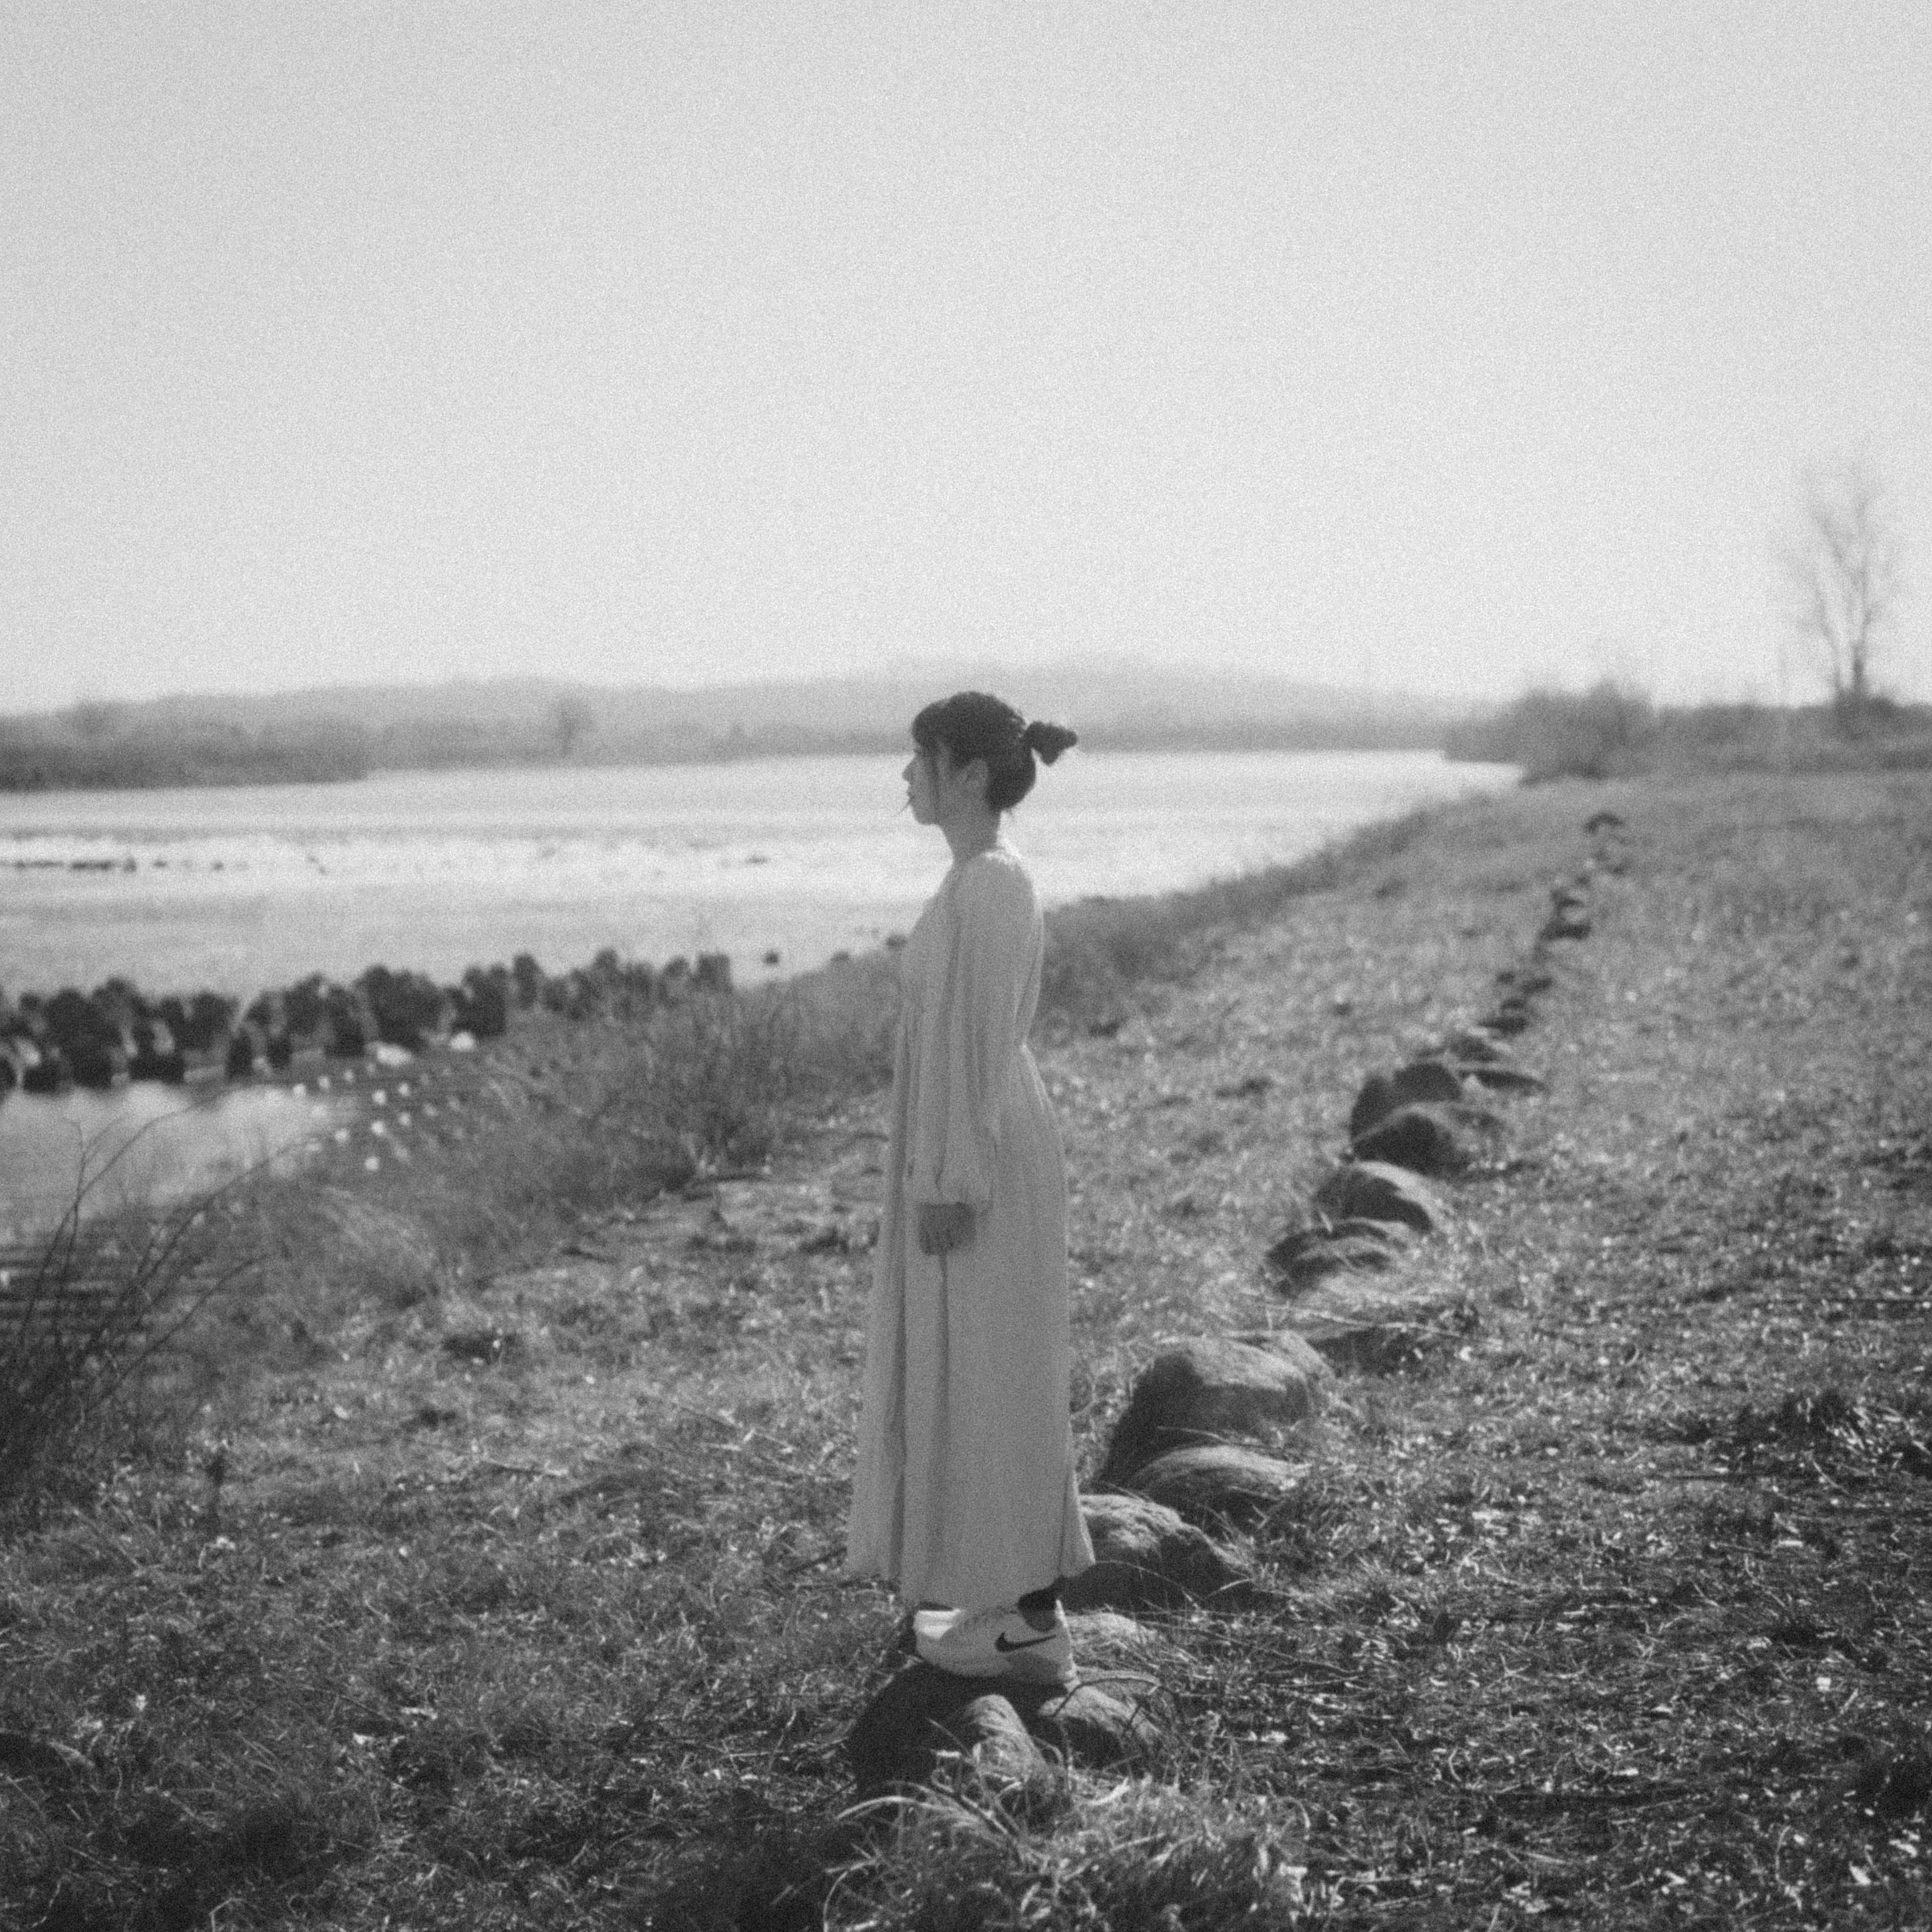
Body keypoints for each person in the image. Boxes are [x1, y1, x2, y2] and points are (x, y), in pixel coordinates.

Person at [846, 691, 1096, 1688]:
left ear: (970, 776)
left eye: (922, 760)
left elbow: (979, 1045)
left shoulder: (991, 885)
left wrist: (950, 1179)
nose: (907, 777)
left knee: (998, 1372)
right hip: (966, 1147)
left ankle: (1031, 1623)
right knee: (978, 1371)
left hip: (980, 1156)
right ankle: (1001, 1604)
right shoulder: (971, 883)